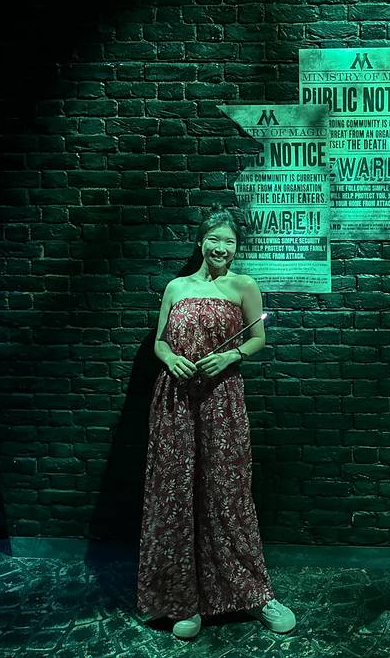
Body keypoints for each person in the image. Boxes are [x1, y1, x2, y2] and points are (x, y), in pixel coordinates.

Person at [136, 205, 296, 639]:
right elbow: (160, 341)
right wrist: (170, 358)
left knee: (227, 492)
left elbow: (258, 336)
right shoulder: (176, 287)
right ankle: (183, 601)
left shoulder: (244, 286)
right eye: (214, 239)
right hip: (175, 401)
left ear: (237, 247)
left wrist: (230, 355)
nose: (221, 247)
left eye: (230, 241)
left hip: (222, 400)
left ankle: (254, 595)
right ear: (200, 242)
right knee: (176, 494)